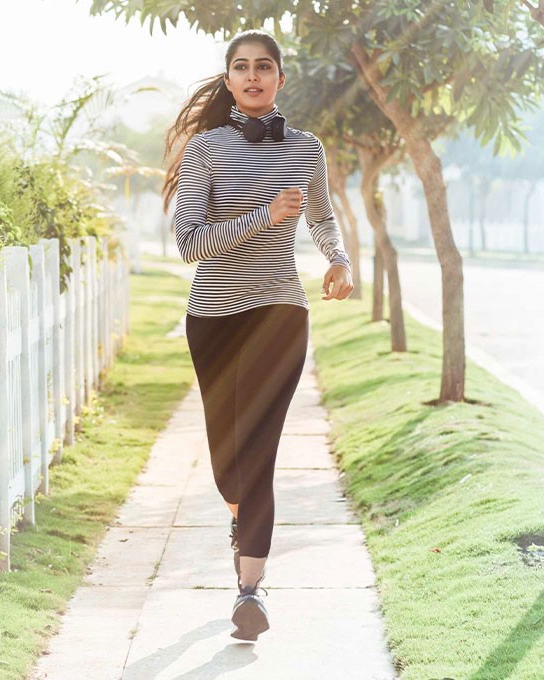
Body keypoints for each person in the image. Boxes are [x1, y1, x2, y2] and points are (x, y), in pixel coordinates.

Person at [160, 28, 355, 643]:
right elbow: (189, 243)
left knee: (260, 452)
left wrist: (339, 259)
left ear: (279, 78)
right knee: (228, 465)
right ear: (228, 80)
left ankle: (251, 589)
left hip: (280, 314)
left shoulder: (306, 149)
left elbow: (322, 213)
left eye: (263, 67)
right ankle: (240, 519)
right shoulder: (205, 150)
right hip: (215, 317)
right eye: (240, 67)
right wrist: (263, 217)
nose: (252, 76)